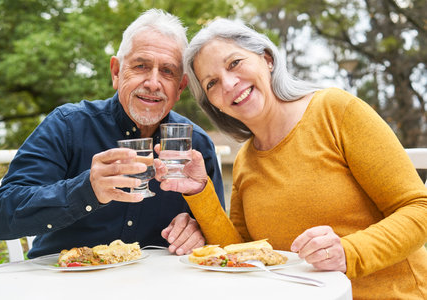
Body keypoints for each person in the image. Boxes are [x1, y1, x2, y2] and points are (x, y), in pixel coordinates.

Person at [155, 18, 427, 299]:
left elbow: (419, 209)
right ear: (213, 104)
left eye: (234, 63)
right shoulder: (245, 160)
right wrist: (200, 191)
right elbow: (241, 254)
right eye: (211, 83)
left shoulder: (336, 111)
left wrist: (349, 252)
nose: (229, 83)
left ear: (268, 59)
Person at [0, 9, 225, 259]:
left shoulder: (197, 145)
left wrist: (200, 230)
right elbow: (0, 216)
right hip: (64, 284)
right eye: (141, 66)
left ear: (180, 87)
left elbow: (218, 239)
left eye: (167, 71)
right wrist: (86, 189)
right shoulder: (67, 125)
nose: (153, 83)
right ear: (116, 72)